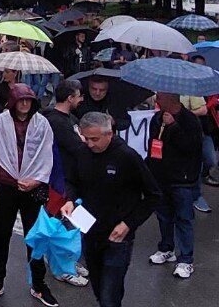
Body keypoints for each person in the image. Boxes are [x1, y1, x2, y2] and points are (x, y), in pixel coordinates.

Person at [62, 112, 161, 307]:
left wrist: (128, 224)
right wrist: (70, 200)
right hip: (90, 232)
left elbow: (153, 195)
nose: (90, 144)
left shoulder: (127, 157)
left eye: (95, 139)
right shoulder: (82, 153)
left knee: (109, 296)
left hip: (118, 238)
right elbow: (71, 180)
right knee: (99, 290)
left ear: (109, 134)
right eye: (85, 138)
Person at [0, 84, 57, 307]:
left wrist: (36, 180)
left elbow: (46, 154)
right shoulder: (0, 122)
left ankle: (38, 284)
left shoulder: (42, 124)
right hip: (5, 186)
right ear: (13, 101)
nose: (25, 104)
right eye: (21, 100)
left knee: (34, 238)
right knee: (1, 235)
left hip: (31, 187)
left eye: (29, 100)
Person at [145, 92, 202, 279]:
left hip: (182, 180)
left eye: (160, 97)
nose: (157, 100)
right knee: (163, 216)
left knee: (184, 218)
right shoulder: (156, 118)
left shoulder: (190, 120)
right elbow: (152, 144)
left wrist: (174, 127)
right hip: (161, 178)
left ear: (171, 99)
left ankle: (186, 259)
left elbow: (191, 147)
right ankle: (166, 248)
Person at [41, 79, 90, 287]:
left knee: (70, 222)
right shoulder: (58, 122)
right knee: (65, 224)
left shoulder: (62, 118)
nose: (82, 99)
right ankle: (62, 268)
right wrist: (85, 141)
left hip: (66, 180)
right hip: (59, 182)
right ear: (70, 98)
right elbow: (78, 148)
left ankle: (66, 260)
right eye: (79, 95)